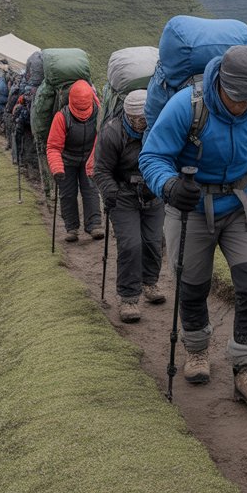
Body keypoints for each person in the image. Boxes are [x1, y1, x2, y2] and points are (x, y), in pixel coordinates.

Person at [139, 44, 247, 410]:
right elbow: (153, 156)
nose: (244, 105)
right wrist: (170, 186)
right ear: (221, 84)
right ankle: (197, 349)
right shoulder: (187, 105)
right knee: (192, 284)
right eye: (237, 98)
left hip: (239, 205)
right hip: (190, 207)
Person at [93, 89, 167, 323]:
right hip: (123, 195)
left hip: (154, 193)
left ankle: (150, 283)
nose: (138, 123)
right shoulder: (112, 132)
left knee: (154, 241)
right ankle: (129, 298)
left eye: (143, 118)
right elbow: (101, 169)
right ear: (125, 114)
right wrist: (110, 192)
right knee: (130, 245)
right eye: (134, 118)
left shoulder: (159, 128)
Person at [45, 79, 104, 243]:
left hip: (88, 158)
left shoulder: (99, 113)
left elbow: (101, 139)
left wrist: (94, 161)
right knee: (67, 194)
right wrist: (57, 169)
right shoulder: (61, 117)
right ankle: (71, 228)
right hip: (66, 160)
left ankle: (94, 225)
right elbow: (53, 146)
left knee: (91, 190)